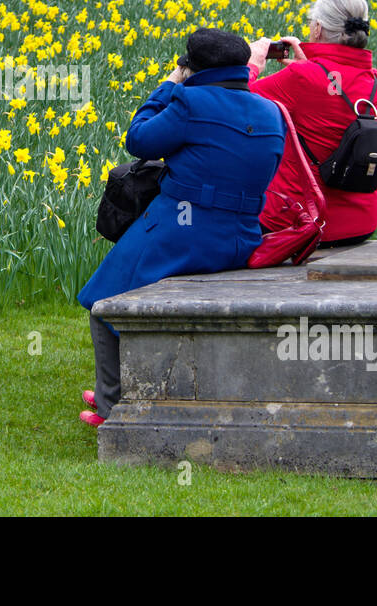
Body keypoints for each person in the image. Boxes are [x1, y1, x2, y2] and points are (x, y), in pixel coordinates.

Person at [77, 28, 285, 427]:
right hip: (242, 237)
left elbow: (138, 139)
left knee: (103, 302)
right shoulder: (270, 111)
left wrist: (169, 83)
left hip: (183, 230)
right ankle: (130, 387)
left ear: (192, 65)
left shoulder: (190, 100)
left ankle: (112, 404)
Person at [246, 0, 377, 247]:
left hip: (298, 222)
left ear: (317, 29)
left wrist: (252, 65)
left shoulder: (301, 79)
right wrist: (310, 64)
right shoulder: (376, 82)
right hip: (361, 224)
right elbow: (332, 93)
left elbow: (235, 101)